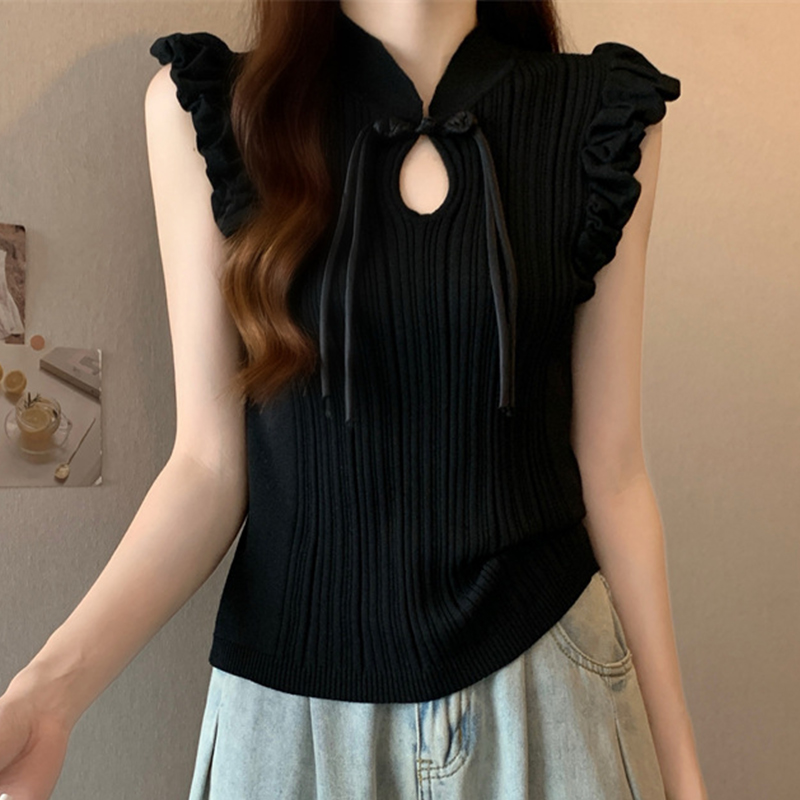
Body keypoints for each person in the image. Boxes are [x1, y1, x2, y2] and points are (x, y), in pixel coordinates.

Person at [0, 1, 707, 798]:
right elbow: (208, 469)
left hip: (549, 689)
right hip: (290, 720)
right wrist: (47, 696)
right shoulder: (213, 111)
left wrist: (681, 771)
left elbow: (613, 474)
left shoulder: (604, 118)